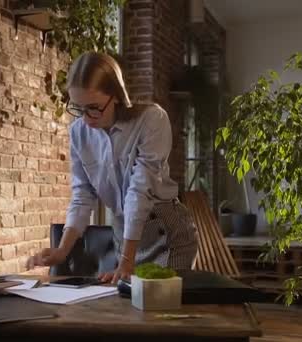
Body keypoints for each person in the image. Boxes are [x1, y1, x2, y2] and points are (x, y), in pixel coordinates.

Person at [26, 52, 199, 284]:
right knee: (127, 309)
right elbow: (82, 195)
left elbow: (139, 192)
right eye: (78, 108)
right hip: (123, 235)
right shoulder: (79, 132)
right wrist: (61, 251)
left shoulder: (151, 120)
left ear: (117, 96)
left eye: (94, 107)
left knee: (158, 308)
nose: (86, 119)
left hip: (165, 233)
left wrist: (126, 261)